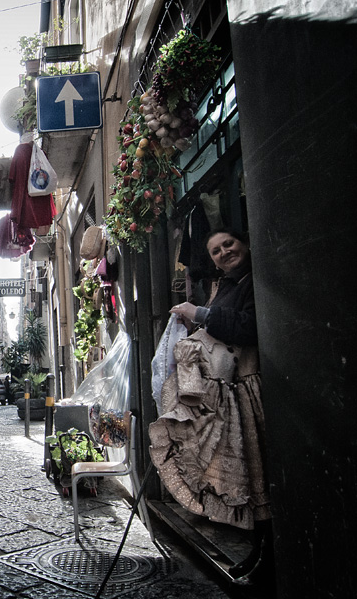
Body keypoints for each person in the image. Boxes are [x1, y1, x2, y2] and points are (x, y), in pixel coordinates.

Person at [150, 228, 273, 587]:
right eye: (216, 250)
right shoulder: (224, 285)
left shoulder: (254, 280)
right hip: (229, 396)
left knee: (260, 475)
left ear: (246, 243)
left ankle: (269, 556)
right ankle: (261, 551)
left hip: (251, 392)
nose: (223, 253)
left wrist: (201, 313)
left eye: (229, 245)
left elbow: (250, 327)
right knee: (249, 477)